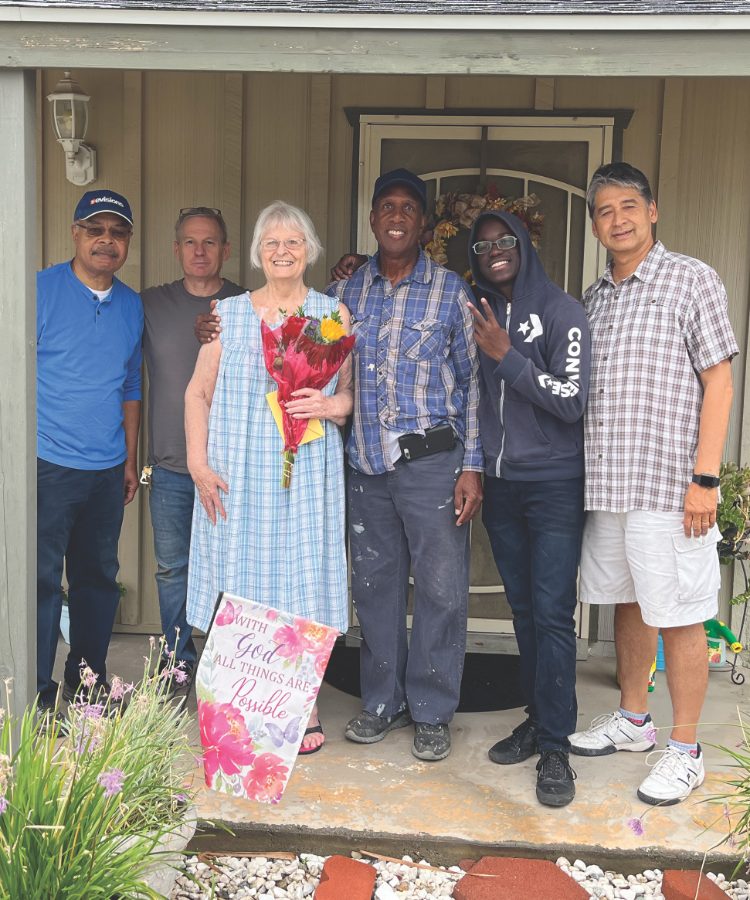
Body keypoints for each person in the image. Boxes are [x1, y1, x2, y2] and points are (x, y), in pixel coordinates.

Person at [569, 162, 738, 806]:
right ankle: (634, 719)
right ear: (595, 225)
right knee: (628, 603)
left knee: (681, 613)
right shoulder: (594, 298)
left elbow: (719, 381)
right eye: (605, 211)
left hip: (670, 486)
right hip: (610, 484)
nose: (618, 219)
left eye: (628, 206)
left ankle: (686, 749)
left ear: (652, 210)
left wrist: (705, 479)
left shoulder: (691, 279)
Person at [184, 201, 352, 754]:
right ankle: (236, 705)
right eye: (272, 242)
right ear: (258, 253)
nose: (282, 251)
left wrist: (327, 406)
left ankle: (301, 705)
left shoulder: (332, 313)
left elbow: (349, 397)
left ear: (310, 250)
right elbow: (197, 393)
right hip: (237, 470)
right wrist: (198, 464)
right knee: (242, 582)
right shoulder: (227, 313)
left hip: (305, 470)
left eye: (293, 242)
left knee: (301, 582)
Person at [330, 169, 483, 762]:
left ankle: (433, 709)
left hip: (433, 464)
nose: (397, 216)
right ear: (373, 218)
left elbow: (472, 384)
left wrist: (472, 467)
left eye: (408, 208)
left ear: (423, 223)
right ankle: (381, 702)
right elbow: (306, 350)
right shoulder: (345, 292)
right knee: (374, 589)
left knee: (441, 590)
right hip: (366, 466)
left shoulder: (450, 291)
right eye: (387, 206)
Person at [465, 211, 590, 806]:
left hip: (555, 486)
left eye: (505, 240)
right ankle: (539, 720)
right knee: (522, 610)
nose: (495, 250)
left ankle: (557, 747)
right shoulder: (477, 310)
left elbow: (571, 399)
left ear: (524, 245)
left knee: (552, 613)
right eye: (483, 245)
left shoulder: (562, 311)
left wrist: (507, 355)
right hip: (503, 485)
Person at [36, 189, 143, 714]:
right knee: (38, 581)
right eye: (95, 229)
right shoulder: (38, 290)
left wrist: (129, 459)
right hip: (46, 464)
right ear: (75, 233)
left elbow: (130, 385)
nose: (106, 240)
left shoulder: (132, 305)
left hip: (105, 468)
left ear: (128, 242)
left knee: (97, 580)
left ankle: (86, 685)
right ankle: (36, 692)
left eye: (117, 232)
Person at [141, 208, 244, 684]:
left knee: (234, 571)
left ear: (226, 250)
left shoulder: (246, 304)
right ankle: (178, 661)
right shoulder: (150, 304)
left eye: (209, 242)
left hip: (231, 468)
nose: (199, 251)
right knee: (172, 569)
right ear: (176, 249)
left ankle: (228, 665)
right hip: (169, 464)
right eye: (189, 242)